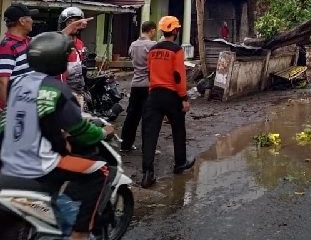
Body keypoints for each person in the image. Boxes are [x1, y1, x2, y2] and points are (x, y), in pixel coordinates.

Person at [0, 31, 115, 240]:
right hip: (40, 161)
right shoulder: (58, 90)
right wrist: (101, 132)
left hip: (8, 156)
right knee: (101, 170)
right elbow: (80, 130)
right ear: (58, 60)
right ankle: (80, 232)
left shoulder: (17, 84)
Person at [140, 16, 195, 188]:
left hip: (154, 94)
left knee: (149, 134)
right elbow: (179, 76)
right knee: (178, 129)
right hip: (172, 95)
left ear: (163, 30)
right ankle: (180, 163)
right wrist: (184, 98)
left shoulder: (153, 50)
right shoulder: (177, 51)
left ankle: (147, 174)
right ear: (176, 31)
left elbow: (149, 73)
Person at [120, 21, 158, 152]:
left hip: (135, 84)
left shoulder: (133, 45)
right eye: (155, 31)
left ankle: (125, 145)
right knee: (148, 117)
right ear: (151, 31)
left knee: (132, 115)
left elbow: (132, 57)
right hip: (148, 84)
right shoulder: (153, 45)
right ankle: (147, 148)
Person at [0, 3, 38, 109]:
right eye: (30, 17)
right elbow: (2, 82)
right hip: (16, 107)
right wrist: (5, 110)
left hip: (28, 103)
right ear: (22, 21)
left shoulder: (27, 41)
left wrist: (71, 27)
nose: (32, 21)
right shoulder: (7, 46)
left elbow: (51, 39)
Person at [57, 6, 90, 98]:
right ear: (64, 24)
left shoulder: (80, 43)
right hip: (63, 90)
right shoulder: (59, 42)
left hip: (78, 89)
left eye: (76, 21)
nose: (74, 25)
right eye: (70, 22)